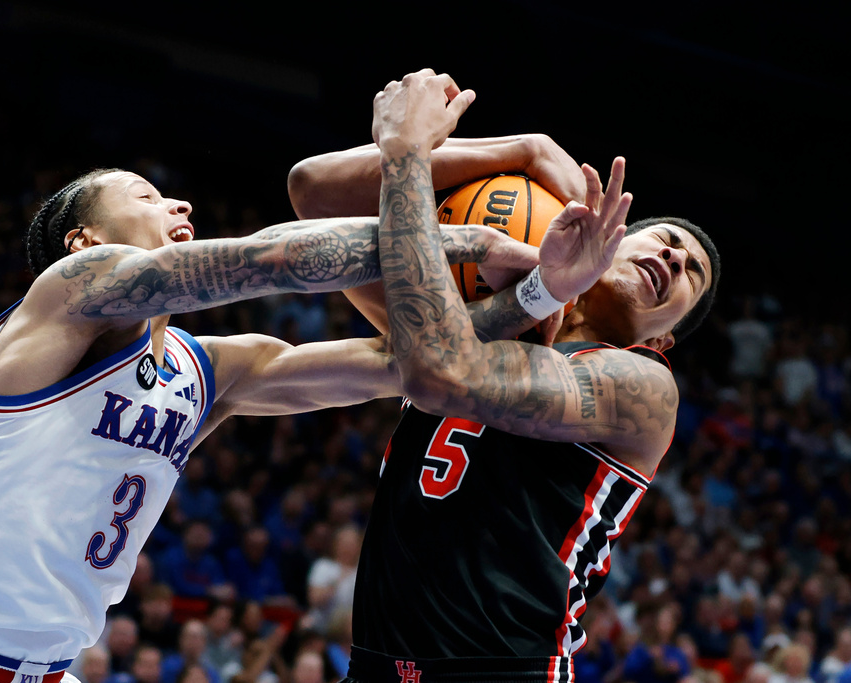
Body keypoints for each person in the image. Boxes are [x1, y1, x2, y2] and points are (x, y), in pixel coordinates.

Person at [0, 152, 541, 679]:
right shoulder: (67, 294)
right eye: (146, 195)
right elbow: (268, 260)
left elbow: (407, 364)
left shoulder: (208, 371)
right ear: (84, 239)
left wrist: (545, 286)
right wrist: (464, 237)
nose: (178, 205)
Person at [289, 69, 720, 681]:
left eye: (691, 275)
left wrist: (407, 152)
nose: (675, 258)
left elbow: (441, 373)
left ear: (664, 336)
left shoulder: (642, 384)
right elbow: (315, 193)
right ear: (610, 237)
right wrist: (527, 150)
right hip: (376, 668)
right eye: (666, 240)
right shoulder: (463, 317)